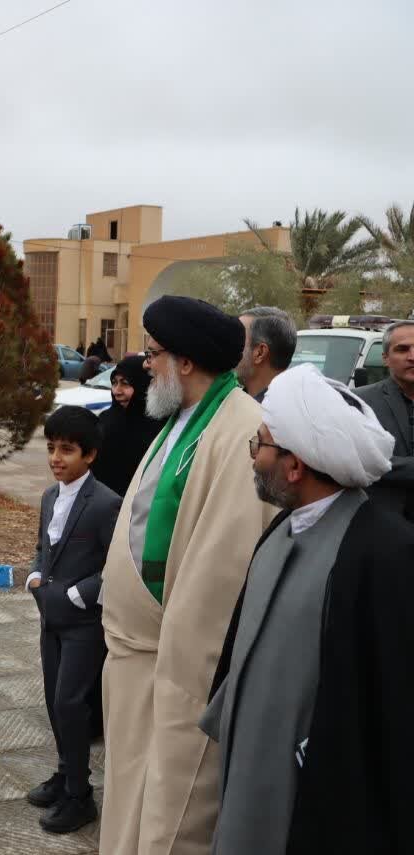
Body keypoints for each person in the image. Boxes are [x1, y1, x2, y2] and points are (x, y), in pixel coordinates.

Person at [202, 364, 413, 854]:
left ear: (294, 466)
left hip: (319, 801)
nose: (254, 457)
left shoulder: (386, 553)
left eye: (259, 445)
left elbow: (391, 705)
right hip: (250, 771)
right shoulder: (282, 529)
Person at [99, 296, 277, 855]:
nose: (144, 364)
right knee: (131, 793)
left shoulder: (241, 429)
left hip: (175, 666)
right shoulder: (180, 417)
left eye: (153, 354)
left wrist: (184, 669)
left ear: (187, 362)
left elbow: (223, 568)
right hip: (135, 656)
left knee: (171, 812)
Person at [25, 406, 121, 835]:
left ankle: (81, 796)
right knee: (53, 700)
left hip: (84, 625)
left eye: (66, 450)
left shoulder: (105, 503)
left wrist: (79, 594)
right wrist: (35, 576)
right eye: (51, 448)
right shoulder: (50, 496)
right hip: (50, 619)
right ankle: (66, 773)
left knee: (70, 702)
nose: (55, 458)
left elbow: (118, 564)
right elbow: (43, 548)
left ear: (90, 455)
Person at [356, 319, 414, 523]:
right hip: (381, 523)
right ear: (385, 358)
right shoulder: (360, 401)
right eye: (402, 349)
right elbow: (363, 460)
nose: (412, 357)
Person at [91, 354, 164, 496]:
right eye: (114, 383)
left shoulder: (160, 426)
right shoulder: (105, 420)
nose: (117, 391)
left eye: (125, 383)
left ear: (143, 384)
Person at [235, 305, 296, 402]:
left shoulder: (269, 410)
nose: (229, 346)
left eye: (237, 338)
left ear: (260, 353)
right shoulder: (294, 401)